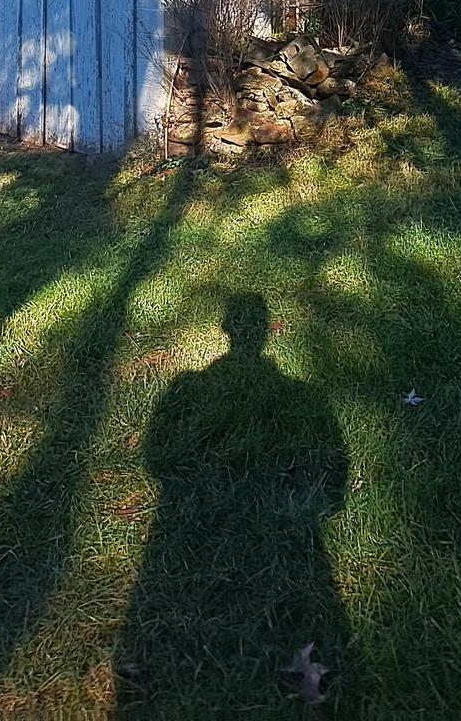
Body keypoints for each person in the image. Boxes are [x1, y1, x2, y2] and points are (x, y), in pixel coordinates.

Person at [115, 292, 350, 712]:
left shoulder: (191, 386)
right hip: (284, 530)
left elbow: (156, 455)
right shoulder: (300, 395)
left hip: (187, 528)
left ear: (226, 330)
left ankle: (166, 665)